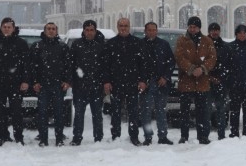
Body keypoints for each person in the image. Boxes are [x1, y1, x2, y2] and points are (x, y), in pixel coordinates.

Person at [0, 18, 30, 146]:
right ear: (1, 28)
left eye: (9, 27)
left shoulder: (21, 43)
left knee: (17, 112)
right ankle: (0, 136)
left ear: (13, 29)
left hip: (16, 83)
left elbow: (26, 64)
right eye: (4, 27)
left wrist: (25, 80)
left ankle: (19, 137)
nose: (7, 29)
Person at [102, 18, 147, 146]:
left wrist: (142, 80)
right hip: (115, 83)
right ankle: (115, 136)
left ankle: (134, 136)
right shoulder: (110, 44)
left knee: (133, 112)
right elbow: (105, 65)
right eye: (121, 25)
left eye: (126, 26)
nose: (123, 28)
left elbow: (143, 64)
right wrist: (106, 81)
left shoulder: (137, 43)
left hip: (133, 83)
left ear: (129, 27)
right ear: (117, 27)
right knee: (115, 112)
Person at [174, 16, 217, 144]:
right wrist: (191, 69)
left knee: (202, 112)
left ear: (199, 28)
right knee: (184, 112)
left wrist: (202, 69)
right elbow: (179, 57)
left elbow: (212, 58)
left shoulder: (207, 41)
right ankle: (184, 136)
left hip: (202, 83)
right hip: (186, 81)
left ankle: (203, 136)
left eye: (195, 27)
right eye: (190, 27)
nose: (192, 29)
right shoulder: (182, 40)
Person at [31, 22, 72, 147]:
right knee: (42, 114)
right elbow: (32, 66)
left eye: (53, 29)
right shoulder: (37, 46)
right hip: (42, 86)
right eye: (48, 29)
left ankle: (59, 138)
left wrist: (67, 81)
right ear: (44, 31)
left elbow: (68, 66)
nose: (51, 31)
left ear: (57, 31)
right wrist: (34, 82)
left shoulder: (62, 46)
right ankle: (43, 139)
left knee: (59, 114)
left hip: (58, 85)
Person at [69, 20, 106, 145]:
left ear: (95, 31)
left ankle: (98, 138)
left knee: (97, 114)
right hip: (80, 86)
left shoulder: (101, 45)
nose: (89, 32)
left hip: (96, 86)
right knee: (79, 114)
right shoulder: (76, 44)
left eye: (91, 30)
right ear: (83, 31)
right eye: (87, 30)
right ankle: (77, 137)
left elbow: (105, 66)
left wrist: (104, 82)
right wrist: (72, 80)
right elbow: (71, 64)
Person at [141, 21, 176, 145]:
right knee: (146, 112)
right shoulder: (140, 45)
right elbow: (137, 65)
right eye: (149, 30)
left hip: (161, 84)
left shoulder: (164, 44)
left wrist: (165, 77)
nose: (151, 32)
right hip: (146, 84)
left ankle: (163, 136)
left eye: (154, 30)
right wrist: (142, 80)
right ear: (145, 31)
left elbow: (171, 62)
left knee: (161, 111)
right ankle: (148, 137)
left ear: (157, 31)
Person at [207, 22, 234, 140]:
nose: (215, 32)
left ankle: (221, 135)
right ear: (209, 31)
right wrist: (209, 77)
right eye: (212, 30)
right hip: (206, 82)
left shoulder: (225, 47)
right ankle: (204, 135)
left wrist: (221, 77)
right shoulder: (203, 45)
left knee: (221, 110)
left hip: (221, 83)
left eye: (217, 30)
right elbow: (200, 63)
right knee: (206, 110)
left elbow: (230, 65)